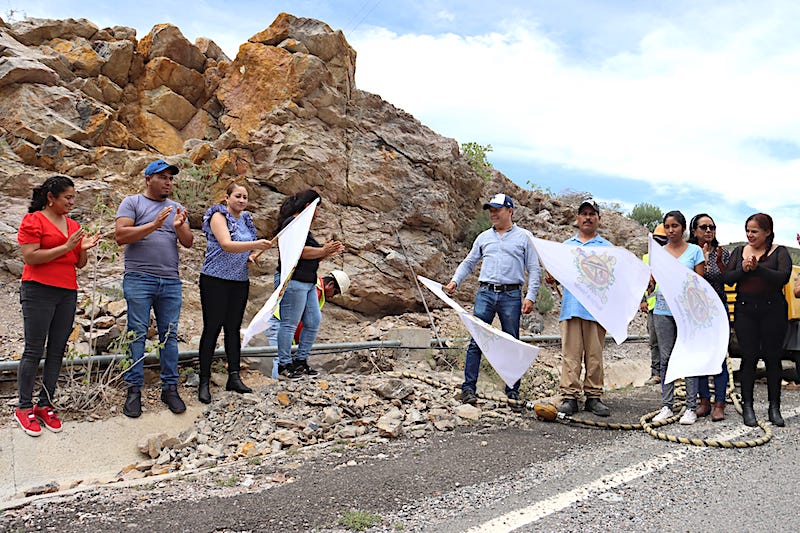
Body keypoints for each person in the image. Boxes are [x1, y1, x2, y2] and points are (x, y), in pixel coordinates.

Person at [15, 176, 100, 436]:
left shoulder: (73, 225)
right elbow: (31, 256)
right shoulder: (34, 220)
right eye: (68, 198)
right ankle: (24, 407)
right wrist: (66, 246)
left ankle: (46, 403)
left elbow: (79, 264)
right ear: (51, 198)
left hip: (66, 292)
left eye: (73, 197)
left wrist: (82, 248)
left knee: (57, 350)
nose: (71, 202)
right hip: (38, 290)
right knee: (33, 349)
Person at [115, 159, 194, 418]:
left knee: (169, 334)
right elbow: (121, 236)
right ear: (148, 179)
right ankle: (134, 389)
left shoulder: (176, 208)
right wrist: (153, 225)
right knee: (137, 332)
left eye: (171, 178)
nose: (168, 182)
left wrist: (179, 226)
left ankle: (170, 387)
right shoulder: (132, 202)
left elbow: (189, 242)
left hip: (170, 280)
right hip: (139, 278)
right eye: (163, 177)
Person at [445, 193, 540, 408]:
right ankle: (468, 388)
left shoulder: (525, 237)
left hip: (512, 295)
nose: (493, 213)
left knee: (511, 342)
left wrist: (531, 296)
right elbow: (469, 262)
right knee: (476, 341)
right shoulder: (483, 237)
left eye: (497, 209)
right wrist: (454, 281)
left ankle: (512, 391)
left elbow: (534, 269)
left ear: (510, 211)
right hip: (485, 293)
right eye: (491, 210)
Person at [197, 183, 273, 403]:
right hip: (215, 279)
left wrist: (250, 255)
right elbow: (227, 244)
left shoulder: (246, 220)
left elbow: (242, 250)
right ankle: (204, 380)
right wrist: (256, 243)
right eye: (238, 196)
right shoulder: (218, 215)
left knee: (233, 329)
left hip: (239, 280)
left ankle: (234, 377)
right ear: (227, 197)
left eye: (245, 197)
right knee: (212, 329)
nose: (241, 200)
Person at [724, 213, 791, 427]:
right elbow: (728, 279)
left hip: (773, 310)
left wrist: (758, 268)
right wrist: (743, 269)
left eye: (755, 231)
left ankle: (774, 407)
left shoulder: (779, 252)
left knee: (773, 357)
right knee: (749, 357)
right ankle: (748, 407)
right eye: (748, 231)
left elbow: (782, 277)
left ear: (767, 232)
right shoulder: (739, 252)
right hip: (745, 311)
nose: (750, 235)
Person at [552, 198, 614, 417]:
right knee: (571, 354)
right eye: (584, 213)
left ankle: (593, 396)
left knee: (595, 355)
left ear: (598, 218)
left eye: (592, 214)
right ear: (577, 219)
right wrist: (551, 275)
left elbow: (613, 278)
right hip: (571, 307)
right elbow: (554, 275)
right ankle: (569, 397)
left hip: (596, 310)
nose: (587, 217)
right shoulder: (566, 247)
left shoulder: (607, 248)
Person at [274, 190, 345, 379]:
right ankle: (284, 363)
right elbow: (298, 252)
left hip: (307, 281)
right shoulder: (292, 224)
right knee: (289, 324)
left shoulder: (304, 228)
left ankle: (301, 361)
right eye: (317, 208)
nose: (318, 213)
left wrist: (326, 252)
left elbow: (310, 256)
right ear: (309, 207)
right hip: (294, 280)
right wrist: (323, 250)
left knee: (313, 321)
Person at [651, 211, 705, 425]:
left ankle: (691, 407)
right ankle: (666, 405)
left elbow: (700, 284)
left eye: (675, 226)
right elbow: (654, 280)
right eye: (667, 226)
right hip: (663, 310)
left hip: (687, 313)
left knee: (688, 357)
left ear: (683, 228)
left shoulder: (695, 251)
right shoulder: (659, 253)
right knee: (666, 358)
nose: (671, 230)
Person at [263, 270, 351, 378]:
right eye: (335, 292)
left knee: (284, 359)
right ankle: (276, 390)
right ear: (330, 285)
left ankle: (281, 386)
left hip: (281, 322)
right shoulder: (315, 289)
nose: (333, 296)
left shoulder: (315, 286)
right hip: (279, 322)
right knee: (280, 359)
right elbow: (302, 320)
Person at [688, 213, 731, 421]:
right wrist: (700, 262)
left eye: (711, 227)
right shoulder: (688, 252)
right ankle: (704, 401)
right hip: (695, 311)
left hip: (718, 310)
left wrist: (714, 263)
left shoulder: (722, 253)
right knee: (700, 357)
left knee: (718, 357)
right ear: (694, 231)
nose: (708, 231)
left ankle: (719, 403)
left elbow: (730, 280)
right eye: (703, 227)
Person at [640, 223, 668, 385]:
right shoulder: (646, 258)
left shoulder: (673, 257)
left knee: (669, 341)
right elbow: (640, 282)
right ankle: (656, 373)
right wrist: (643, 300)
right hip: (653, 306)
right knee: (654, 341)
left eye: (663, 241)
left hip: (669, 307)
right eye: (658, 241)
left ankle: (669, 373)